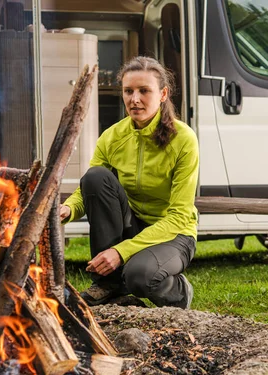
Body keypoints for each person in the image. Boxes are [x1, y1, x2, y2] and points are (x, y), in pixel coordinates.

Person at [60, 56, 198, 309]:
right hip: (132, 224)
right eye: (128, 91)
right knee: (96, 176)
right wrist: (67, 209)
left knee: (138, 276)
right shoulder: (112, 136)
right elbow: (90, 189)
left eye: (144, 91)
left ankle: (179, 292)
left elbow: (179, 216)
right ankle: (107, 284)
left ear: (163, 94)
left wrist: (121, 252)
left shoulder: (184, 140)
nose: (134, 99)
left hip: (174, 234)